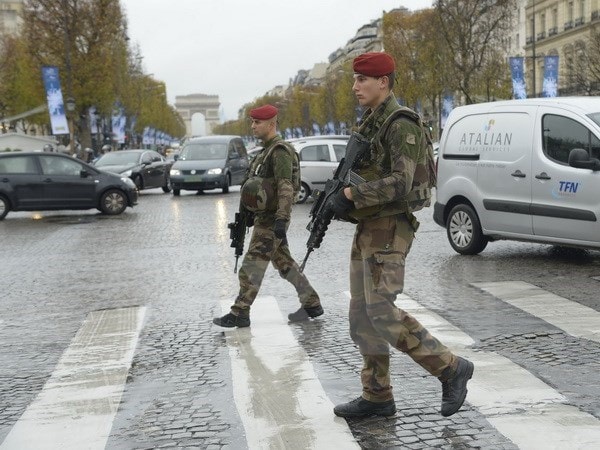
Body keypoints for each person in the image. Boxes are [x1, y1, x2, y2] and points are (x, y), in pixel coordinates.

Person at [329, 52, 474, 418]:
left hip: (391, 228)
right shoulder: (371, 123)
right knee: (361, 318)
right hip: (369, 227)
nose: (355, 86)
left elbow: (399, 183)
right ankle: (377, 396)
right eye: (355, 78)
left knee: (380, 311)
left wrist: (350, 195)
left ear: (384, 82)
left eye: (362, 79)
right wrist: (339, 197)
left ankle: (450, 367)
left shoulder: (400, 123)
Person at [213, 104, 323, 328]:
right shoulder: (266, 151)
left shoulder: (280, 151)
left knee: (251, 266)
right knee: (284, 263)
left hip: (272, 219)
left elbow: (285, 188)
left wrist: (281, 219)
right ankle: (312, 303)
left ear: (271, 124)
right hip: (266, 217)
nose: (253, 126)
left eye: (257, 122)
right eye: (252, 122)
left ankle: (240, 312)